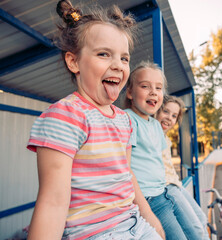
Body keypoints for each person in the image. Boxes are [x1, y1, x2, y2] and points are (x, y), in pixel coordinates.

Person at [26, 1, 164, 239]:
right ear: (74, 62)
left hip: (135, 224)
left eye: (124, 58)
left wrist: (151, 221)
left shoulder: (124, 120)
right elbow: (53, 202)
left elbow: (127, 175)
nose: (117, 66)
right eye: (103, 54)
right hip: (95, 233)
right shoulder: (65, 116)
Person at [124, 62, 206, 240]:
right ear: (130, 92)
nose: (153, 91)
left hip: (164, 192)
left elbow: (159, 160)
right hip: (149, 199)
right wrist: (146, 212)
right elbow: (126, 170)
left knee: (199, 231)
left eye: (158, 88)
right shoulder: (127, 120)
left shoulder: (154, 125)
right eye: (145, 86)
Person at [155, 95, 209, 240]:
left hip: (176, 184)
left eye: (174, 116)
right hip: (167, 186)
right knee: (196, 230)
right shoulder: (152, 132)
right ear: (157, 110)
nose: (169, 118)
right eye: (165, 112)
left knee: (202, 219)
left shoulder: (166, 139)